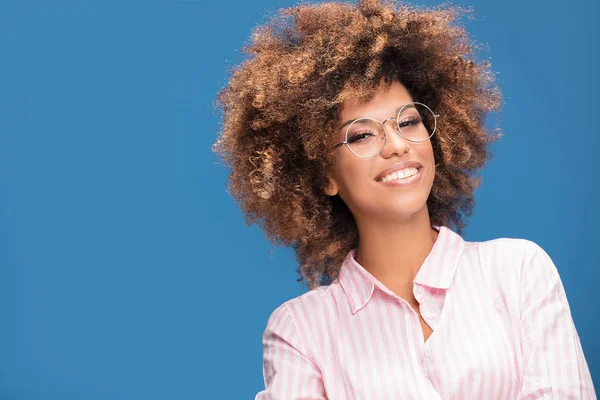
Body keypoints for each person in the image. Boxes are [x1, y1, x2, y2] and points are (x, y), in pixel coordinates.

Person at [212, 0, 597, 398]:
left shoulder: (517, 271)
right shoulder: (300, 331)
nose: (397, 145)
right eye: (362, 135)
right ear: (324, 175)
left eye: (408, 121)